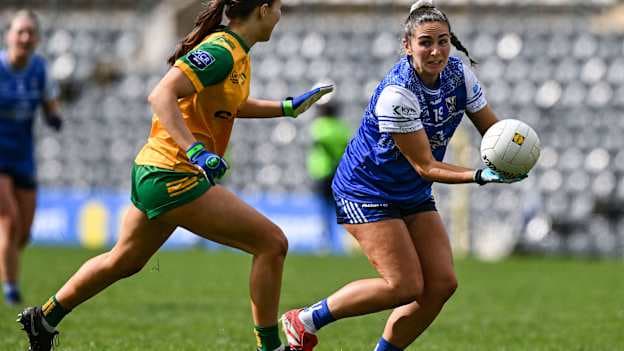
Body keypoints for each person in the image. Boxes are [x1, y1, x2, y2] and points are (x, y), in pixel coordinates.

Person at [17, 1, 332, 350]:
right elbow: (161, 93)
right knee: (272, 243)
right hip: (173, 173)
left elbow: (230, 104)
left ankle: (43, 318)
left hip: (157, 170)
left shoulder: (237, 53)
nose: (280, 15)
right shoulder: (222, 50)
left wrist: (286, 108)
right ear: (262, 10)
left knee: (125, 260)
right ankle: (271, 346)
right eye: (277, 7)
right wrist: (195, 151)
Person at [281, 1, 525, 350]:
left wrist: (515, 150)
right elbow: (426, 166)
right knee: (404, 285)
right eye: (426, 42)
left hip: (410, 190)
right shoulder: (398, 93)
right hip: (366, 189)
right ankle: (304, 320)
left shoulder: (459, 74)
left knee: (441, 283)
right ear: (407, 46)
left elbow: (493, 131)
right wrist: (480, 175)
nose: (437, 50)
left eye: (443, 40)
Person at [0, 10, 63, 306]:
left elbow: (51, 106)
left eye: (30, 33)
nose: (25, 37)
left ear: (36, 38)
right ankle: (11, 289)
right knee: (9, 222)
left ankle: (7, 267)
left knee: (23, 233)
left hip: (23, 157)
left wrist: (54, 117)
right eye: (20, 31)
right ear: (8, 35)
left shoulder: (40, 69)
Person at [306, 101, 351, 251]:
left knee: (324, 208)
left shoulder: (320, 126)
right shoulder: (341, 128)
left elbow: (319, 145)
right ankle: (346, 242)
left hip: (323, 171)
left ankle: (325, 242)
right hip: (339, 172)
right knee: (340, 208)